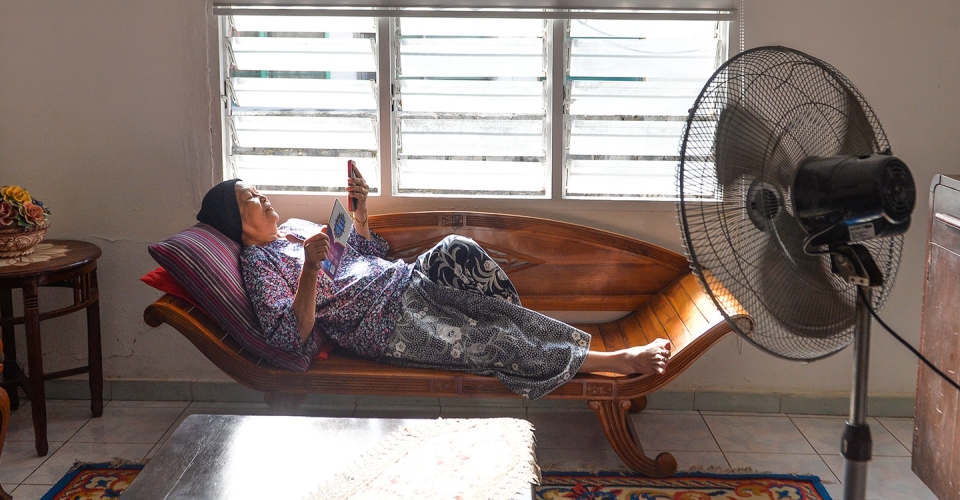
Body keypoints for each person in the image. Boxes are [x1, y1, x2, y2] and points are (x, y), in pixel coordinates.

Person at [195, 175, 671, 400]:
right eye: (250, 199)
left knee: (458, 250)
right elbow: (288, 336)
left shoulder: (296, 229)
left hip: (404, 280)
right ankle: (610, 362)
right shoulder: (259, 264)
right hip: (385, 324)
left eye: (257, 189)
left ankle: (532, 348)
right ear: (239, 224)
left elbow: (367, 254)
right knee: (492, 336)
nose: (263, 197)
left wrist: (358, 212)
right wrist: (310, 272)